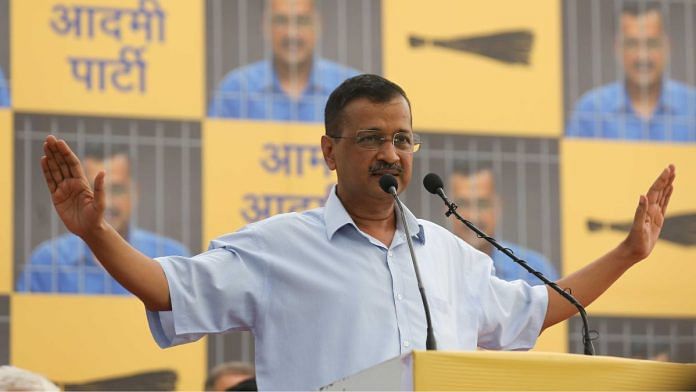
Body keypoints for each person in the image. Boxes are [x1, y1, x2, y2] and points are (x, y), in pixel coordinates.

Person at [39, 74, 675, 390]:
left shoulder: (447, 252)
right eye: (370, 138)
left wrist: (629, 253)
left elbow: (537, 310)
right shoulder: (278, 247)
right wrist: (96, 235)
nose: (390, 152)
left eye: (402, 139)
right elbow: (165, 289)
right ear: (329, 150)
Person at [16, 144, 189, 294]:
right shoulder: (46, 263)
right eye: (94, 190)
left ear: (135, 192)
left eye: (117, 189)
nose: (105, 202)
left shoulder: (173, 258)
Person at [207, 0, 360, 122]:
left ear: (317, 25)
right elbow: (215, 156)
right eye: (281, 20)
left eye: (302, 20)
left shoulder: (353, 90)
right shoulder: (236, 89)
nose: (292, 33)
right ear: (266, 26)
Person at [566, 1, 696, 141]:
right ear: (618, 48)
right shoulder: (591, 111)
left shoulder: (692, 107)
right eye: (632, 44)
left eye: (651, 43)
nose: (642, 56)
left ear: (666, 46)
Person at [448, 162, 559, 285]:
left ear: (498, 207)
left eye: (482, 204)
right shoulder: (430, 268)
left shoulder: (534, 271)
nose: (473, 216)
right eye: (463, 204)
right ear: (446, 208)